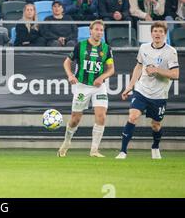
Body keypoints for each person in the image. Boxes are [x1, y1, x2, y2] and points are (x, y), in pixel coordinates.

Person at [116, 21, 180, 159]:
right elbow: (138, 67)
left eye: (161, 32)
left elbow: (175, 74)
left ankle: (155, 147)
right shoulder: (144, 48)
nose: (157, 34)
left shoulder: (171, 52)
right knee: (133, 116)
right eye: (155, 31)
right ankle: (123, 151)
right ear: (151, 33)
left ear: (165, 34)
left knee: (156, 125)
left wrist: (156, 70)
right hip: (141, 90)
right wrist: (130, 86)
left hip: (159, 95)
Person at [58, 20, 115, 158]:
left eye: (101, 30)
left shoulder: (106, 49)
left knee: (101, 116)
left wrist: (102, 77)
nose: (99, 32)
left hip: (99, 87)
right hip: (82, 86)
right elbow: (67, 62)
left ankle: (94, 150)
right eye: (97, 29)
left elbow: (111, 69)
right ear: (91, 31)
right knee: (75, 119)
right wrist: (70, 75)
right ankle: (66, 143)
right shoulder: (81, 46)